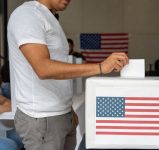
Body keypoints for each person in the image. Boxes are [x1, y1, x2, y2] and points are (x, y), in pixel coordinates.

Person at [7, 1, 128, 150]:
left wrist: (67, 108)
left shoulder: (48, 16)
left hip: (62, 114)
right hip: (42, 117)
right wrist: (100, 67)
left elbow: (57, 66)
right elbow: (43, 68)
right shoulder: (27, 14)